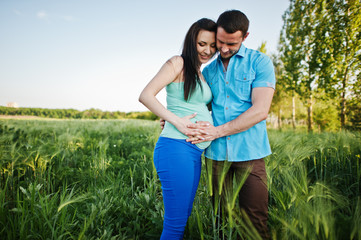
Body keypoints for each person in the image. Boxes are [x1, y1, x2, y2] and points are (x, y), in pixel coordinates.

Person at [185, 10, 276, 239]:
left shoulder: (260, 62)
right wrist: (176, 116)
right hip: (215, 155)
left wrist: (218, 132)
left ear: (245, 37)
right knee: (220, 219)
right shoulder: (208, 70)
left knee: (255, 219)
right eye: (220, 42)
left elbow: (260, 110)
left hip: (250, 152)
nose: (223, 49)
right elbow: (203, 107)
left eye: (231, 43)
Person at [138, 18, 217, 239]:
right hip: (175, 148)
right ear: (192, 40)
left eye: (212, 46)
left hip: (193, 151)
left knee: (182, 217)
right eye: (202, 44)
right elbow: (146, 95)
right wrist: (176, 121)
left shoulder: (199, 72)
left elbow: (196, 105)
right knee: (174, 225)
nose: (207, 50)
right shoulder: (177, 63)